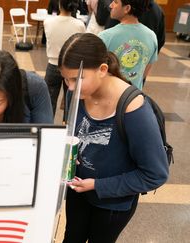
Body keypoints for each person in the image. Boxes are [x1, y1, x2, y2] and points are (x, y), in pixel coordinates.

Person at [59, 33, 169, 243]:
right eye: (66, 79)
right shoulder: (77, 92)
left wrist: (98, 185)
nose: (70, 87)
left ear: (102, 70)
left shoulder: (135, 110)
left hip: (112, 204)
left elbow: (155, 174)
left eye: (76, 79)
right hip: (78, 190)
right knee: (72, 237)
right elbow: (73, 131)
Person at [98, 0, 157, 90]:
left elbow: (97, 73)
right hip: (134, 96)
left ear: (127, 8)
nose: (110, 5)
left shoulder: (105, 36)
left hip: (109, 95)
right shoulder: (151, 36)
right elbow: (144, 73)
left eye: (115, 2)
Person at [44, 0, 85, 120]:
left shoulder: (48, 22)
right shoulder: (79, 25)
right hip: (72, 66)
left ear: (59, 4)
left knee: (49, 101)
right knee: (71, 102)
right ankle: (67, 127)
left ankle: (47, 127)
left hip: (53, 65)